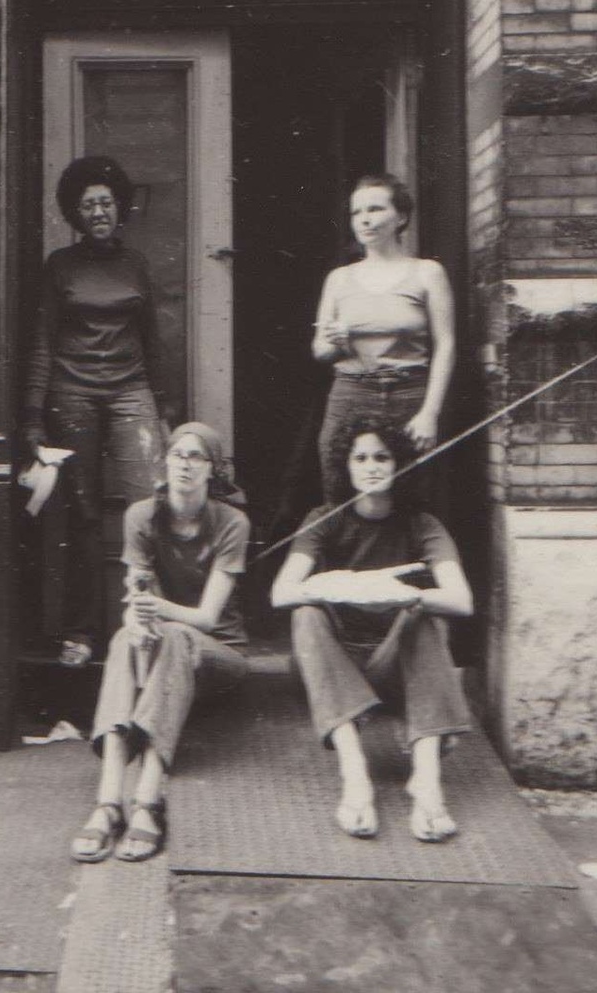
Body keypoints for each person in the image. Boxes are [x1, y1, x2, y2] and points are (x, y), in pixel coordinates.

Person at [271, 415, 473, 842]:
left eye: (382, 456)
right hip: (338, 659)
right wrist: (348, 587)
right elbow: (281, 593)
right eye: (360, 458)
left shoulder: (422, 524)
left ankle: (427, 780)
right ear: (346, 467)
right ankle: (355, 774)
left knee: (427, 616)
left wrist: (406, 596)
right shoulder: (325, 518)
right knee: (306, 614)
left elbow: (461, 600)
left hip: (394, 663)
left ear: (399, 464)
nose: (372, 466)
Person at [70, 422, 251, 864]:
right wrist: (137, 620)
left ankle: (148, 798)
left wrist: (157, 610)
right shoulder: (141, 516)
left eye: (197, 457)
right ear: (165, 462)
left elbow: (207, 619)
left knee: (174, 635)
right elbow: (136, 598)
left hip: (218, 657)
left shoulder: (232, 523)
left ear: (212, 471)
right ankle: (109, 800)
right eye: (178, 455)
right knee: (121, 639)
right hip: (163, 652)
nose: (185, 465)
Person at [23, 155, 169, 668]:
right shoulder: (60, 266)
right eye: (89, 205)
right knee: (82, 515)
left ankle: (149, 622)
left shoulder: (136, 266)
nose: (99, 211)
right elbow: (42, 343)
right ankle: (82, 633)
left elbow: (152, 339)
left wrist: (163, 409)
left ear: (119, 208)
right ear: (76, 214)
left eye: (106, 202)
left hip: (131, 389)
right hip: (73, 393)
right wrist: (34, 416)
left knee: (147, 506)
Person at [312, 173, 455, 499]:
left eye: (375, 209)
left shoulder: (427, 273)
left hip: (410, 395)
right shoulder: (339, 279)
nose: (364, 220)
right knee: (340, 491)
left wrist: (429, 413)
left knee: (414, 493)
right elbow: (320, 351)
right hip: (351, 395)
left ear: (401, 217)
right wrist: (335, 342)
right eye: (356, 212)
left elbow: (446, 345)